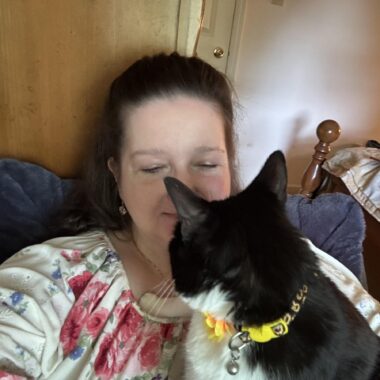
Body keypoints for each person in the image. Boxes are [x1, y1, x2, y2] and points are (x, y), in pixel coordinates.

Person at [0, 52, 378, 380]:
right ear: (115, 171)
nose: (186, 189)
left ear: (230, 165)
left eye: (206, 163)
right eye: (152, 168)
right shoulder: (52, 284)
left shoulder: (308, 270)